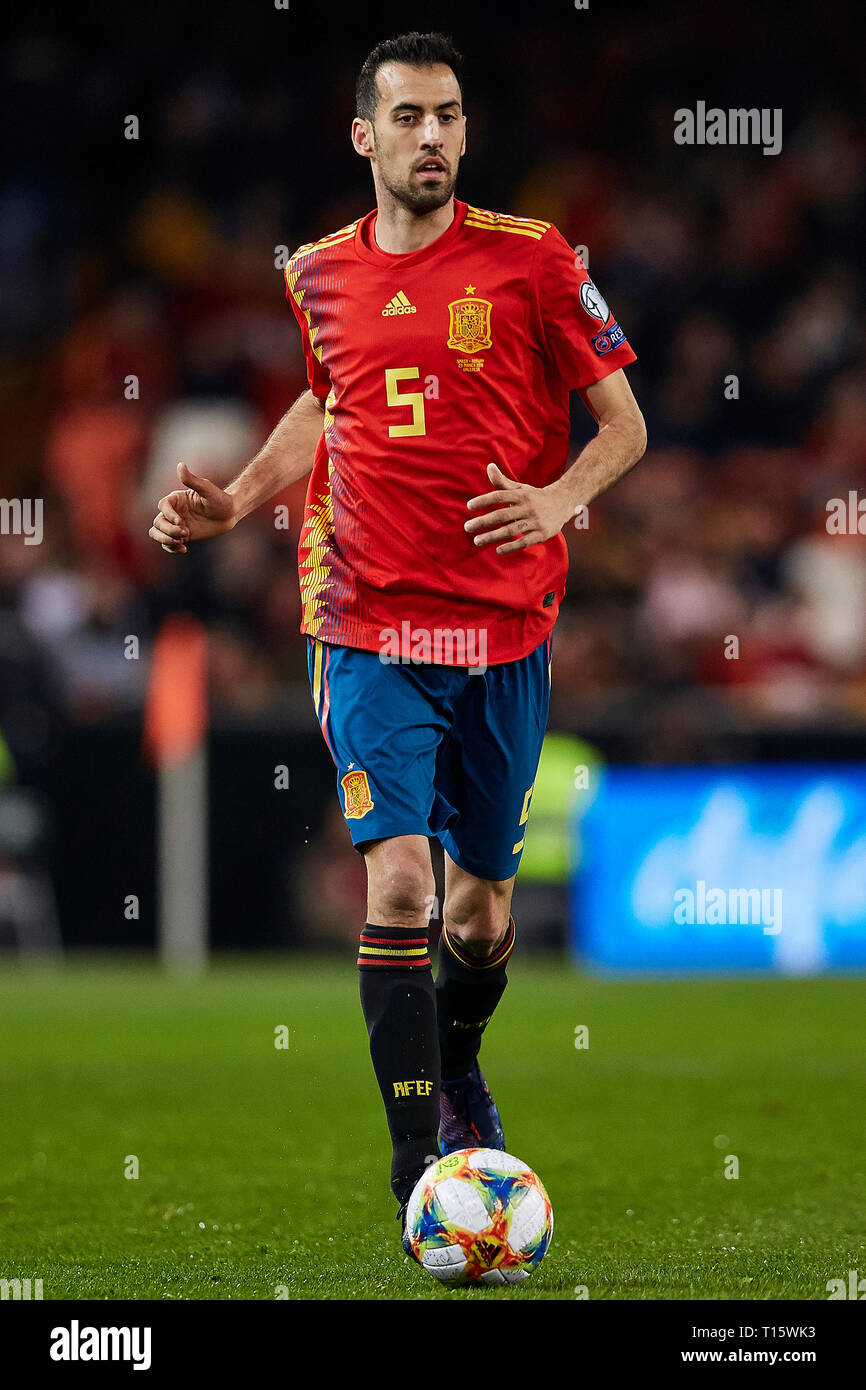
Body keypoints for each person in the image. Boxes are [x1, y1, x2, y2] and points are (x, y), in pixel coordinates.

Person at [148, 29, 646, 1256]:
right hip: (365, 620)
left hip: (504, 628)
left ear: (466, 134)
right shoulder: (317, 273)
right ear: (365, 136)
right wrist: (242, 499)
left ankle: (460, 1065)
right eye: (409, 116)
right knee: (401, 882)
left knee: (478, 917)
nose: (432, 136)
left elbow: (625, 423)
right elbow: (326, 401)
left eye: (450, 116)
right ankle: (418, 1154)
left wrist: (552, 500)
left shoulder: (533, 263)